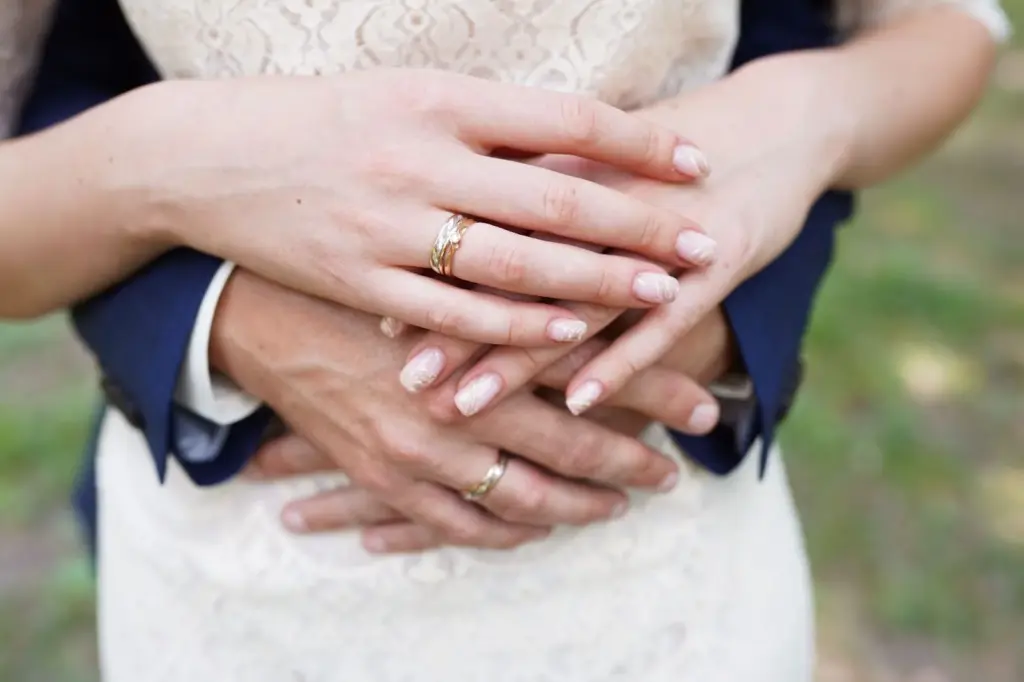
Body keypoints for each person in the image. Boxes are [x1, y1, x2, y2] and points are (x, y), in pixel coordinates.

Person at [10, 0, 1009, 680]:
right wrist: (212, 285)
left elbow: (935, 27)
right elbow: (63, 91)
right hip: (244, 567)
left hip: (663, 566)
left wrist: (798, 119)